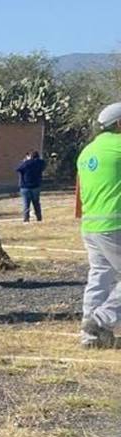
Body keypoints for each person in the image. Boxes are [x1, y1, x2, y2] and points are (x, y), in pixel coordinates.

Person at [75, 102, 121, 349]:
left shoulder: (87, 151)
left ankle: (90, 337)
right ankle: (101, 319)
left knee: (99, 276)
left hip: (91, 225)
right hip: (116, 224)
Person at [17, 150, 46, 223]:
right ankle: (39, 218)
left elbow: (18, 169)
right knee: (36, 203)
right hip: (36, 186)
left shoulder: (26, 163)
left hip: (25, 187)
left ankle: (26, 219)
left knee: (26, 204)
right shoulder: (40, 163)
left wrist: (25, 160)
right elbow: (43, 164)